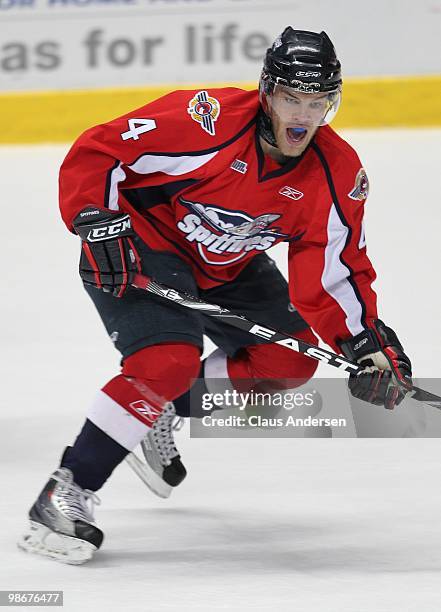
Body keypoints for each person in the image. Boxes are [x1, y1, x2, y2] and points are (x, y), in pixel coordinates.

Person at [18, 27, 413, 564]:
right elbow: (101, 150)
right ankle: (66, 493)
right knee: (166, 361)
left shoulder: (335, 173)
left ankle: (155, 408)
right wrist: (96, 220)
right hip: (142, 244)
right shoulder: (206, 122)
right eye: (291, 98)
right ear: (267, 92)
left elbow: (333, 269)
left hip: (228, 261)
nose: (303, 116)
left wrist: (366, 343)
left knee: (286, 362)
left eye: (318, 102)